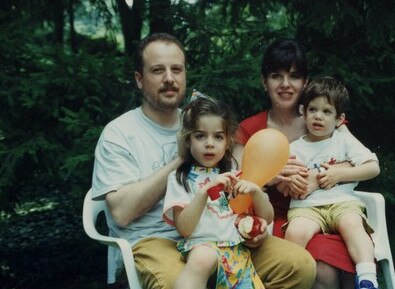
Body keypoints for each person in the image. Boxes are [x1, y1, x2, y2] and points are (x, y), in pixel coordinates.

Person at [91, 32, 315, 289]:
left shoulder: (206, 121)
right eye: (157, 70)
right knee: (177, 283)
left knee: (299, 266)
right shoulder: (120, 133)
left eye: (176, 69)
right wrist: (181, 159)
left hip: (223, 234)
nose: (169, 79)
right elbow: (120, 213)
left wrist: (252, 223)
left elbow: (239, 183)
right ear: (139, 80)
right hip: (156, 240)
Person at [235, 38, 357, 289]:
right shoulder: (248, 129)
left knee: (327, 273)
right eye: (276, 76)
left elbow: (357, 163)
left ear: (306, 83)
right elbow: (236, 185)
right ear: (264, 81)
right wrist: (271, 177)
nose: (286, 85)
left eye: (294, 76)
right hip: (270, 220)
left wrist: (317, 178)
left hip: (319, 214)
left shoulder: (324, 121)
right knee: (308, 270)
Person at [163, 95, 272, 289]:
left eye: (218, 137)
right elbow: (184, 229)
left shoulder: (234, 175)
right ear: (188, 140)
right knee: (204, 257)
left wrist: (256, 192)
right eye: (200, 136)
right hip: (200, 247)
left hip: (235, 252)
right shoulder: (180, 178)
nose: (209, 143)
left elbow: (267, 218)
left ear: (227, 142)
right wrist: (205, 190)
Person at [281, 76, 380, 289]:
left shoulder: (344, 141)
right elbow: (284, 180)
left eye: (327, 112)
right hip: (307, 208)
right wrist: (292, 181)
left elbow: (373, 167)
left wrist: (338, 174)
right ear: (302, 112)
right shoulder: (294, 148)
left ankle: (367, 277)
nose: (318, 116)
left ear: (339, 119)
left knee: (352, 225)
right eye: (313, 110)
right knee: (295, 232)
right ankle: (291, 279)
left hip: (343, 203)